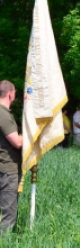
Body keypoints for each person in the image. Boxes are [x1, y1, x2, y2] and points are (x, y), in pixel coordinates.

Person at [0, 81, 22, 233]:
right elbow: (17, 142)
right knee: (8, 216)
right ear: (10, 94)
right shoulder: (3, 114)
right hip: (7, 169)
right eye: (14, 92)